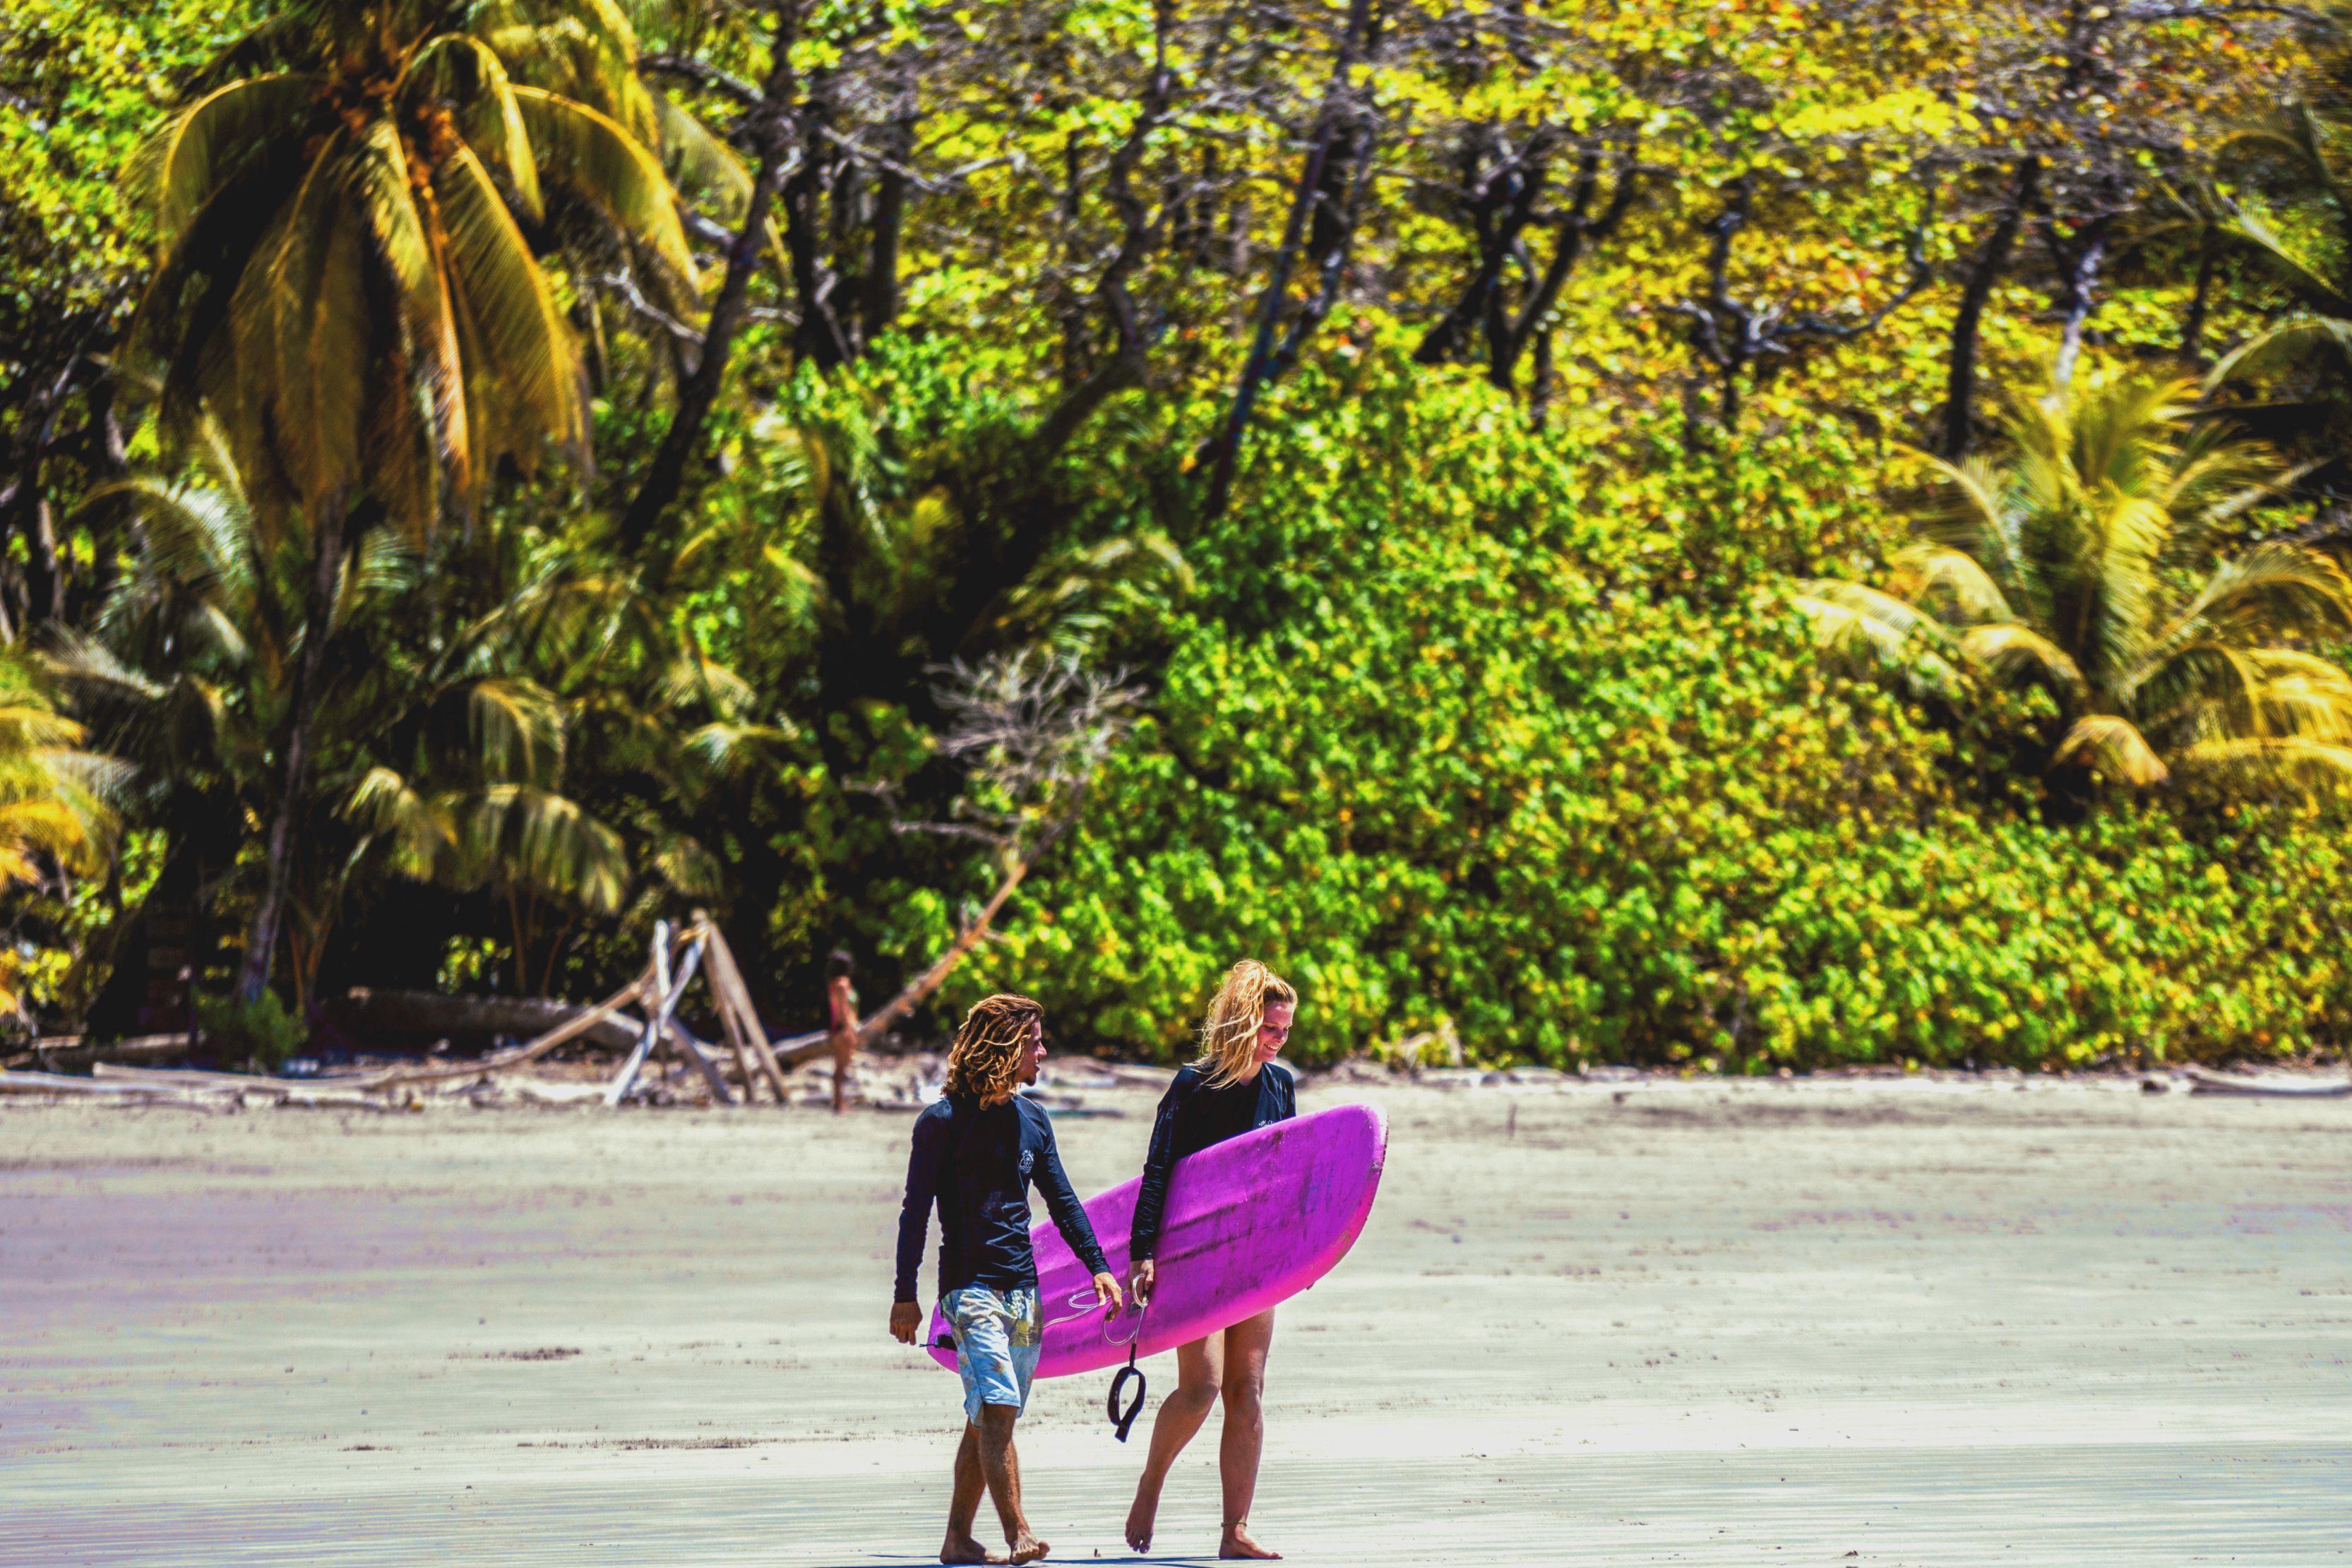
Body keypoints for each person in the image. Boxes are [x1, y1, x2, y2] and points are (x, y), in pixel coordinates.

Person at [891, 993, 1123, 1565]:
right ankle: (1019, 1530)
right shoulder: (941, 1123)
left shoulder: (1032, 1120)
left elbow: (1063, 1201)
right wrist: (905, 1296)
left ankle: (956, 1539)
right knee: (997, 1407)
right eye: (1034, 1041)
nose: (1042, 1052)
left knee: (987, 1414)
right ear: (1004, 1046)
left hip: (1023, 1291)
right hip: (968, 1288)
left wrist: (1098, 1265)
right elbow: (914, 1211)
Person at [1123, 960, 1299, 1560]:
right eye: (1269, 1028)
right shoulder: (1193, 1085)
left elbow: (1287, 1174)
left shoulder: (1280, 1086)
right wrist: (1142, 1252)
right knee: (1201, 1387)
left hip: (1256, 1257)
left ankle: (1234, 1529)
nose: (1278, 1040)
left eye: (1285, 1030)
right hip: (1194, 1253)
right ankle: (1151, 1485)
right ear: (1243, 1024)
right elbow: (1157, 1171)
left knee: (1247, 1390)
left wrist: (1297, 1255)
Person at [825, 950, 859, 1114]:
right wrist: (849, 1029)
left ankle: (839, 1101)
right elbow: (844, 1010)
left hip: (836, 1029)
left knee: (839, 1068)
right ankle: (839, 1103)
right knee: (841, 1069)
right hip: (843, 1028)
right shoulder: (843, 984)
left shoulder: (833, 984)